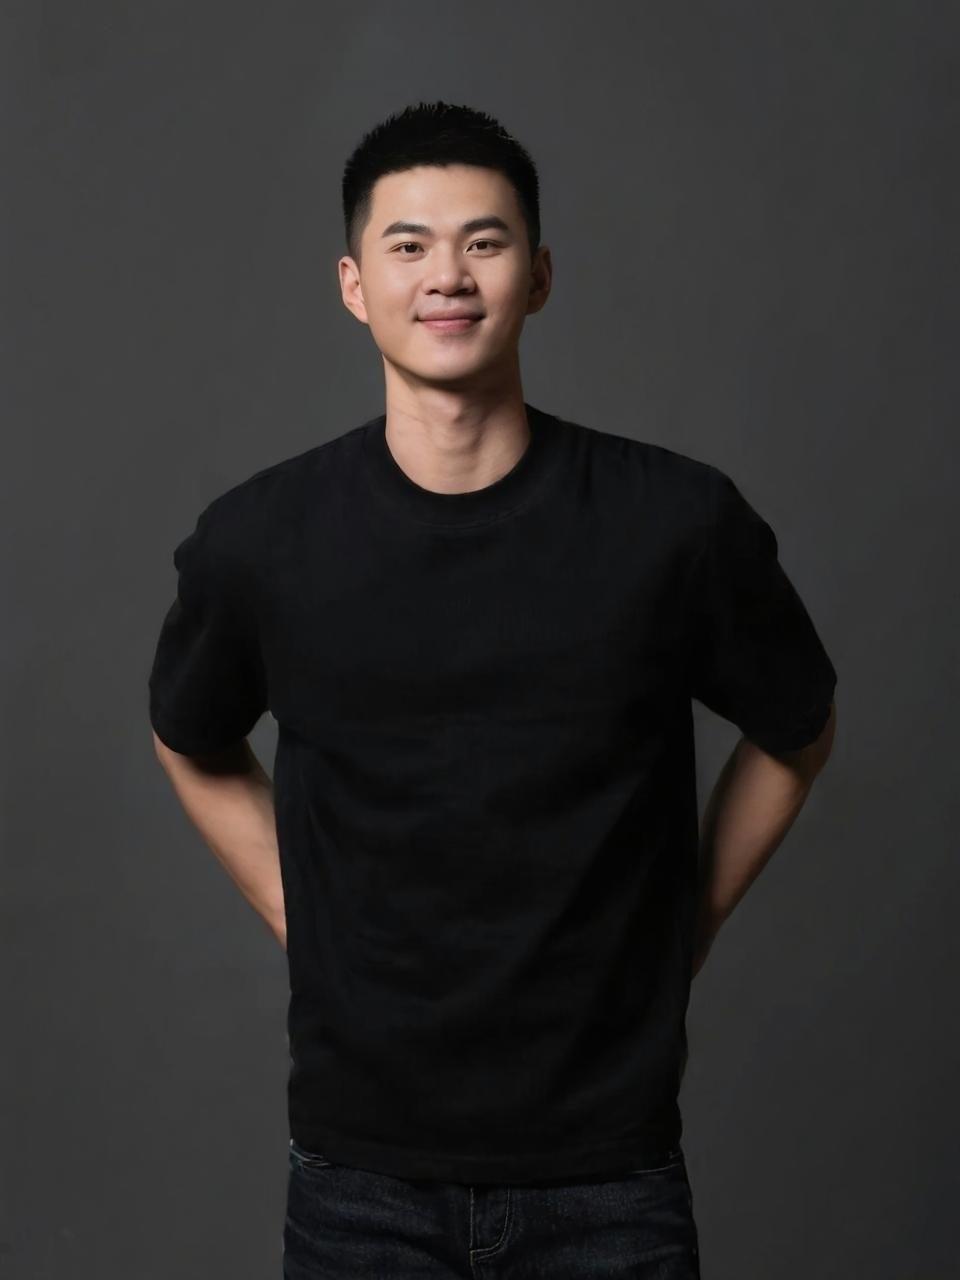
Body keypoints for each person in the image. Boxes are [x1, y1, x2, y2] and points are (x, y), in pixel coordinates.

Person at [148, 100, 837, 1279]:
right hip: (359, 1181)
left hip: (610, 1181)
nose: (448, 277)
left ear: (540, 275)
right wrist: (304, 915)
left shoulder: (672, 523)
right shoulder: (262, 540)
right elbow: (188, 734)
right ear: (354, 285)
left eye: (485, 240)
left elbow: (798, 726)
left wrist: (684, 924)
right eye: (409, 245)